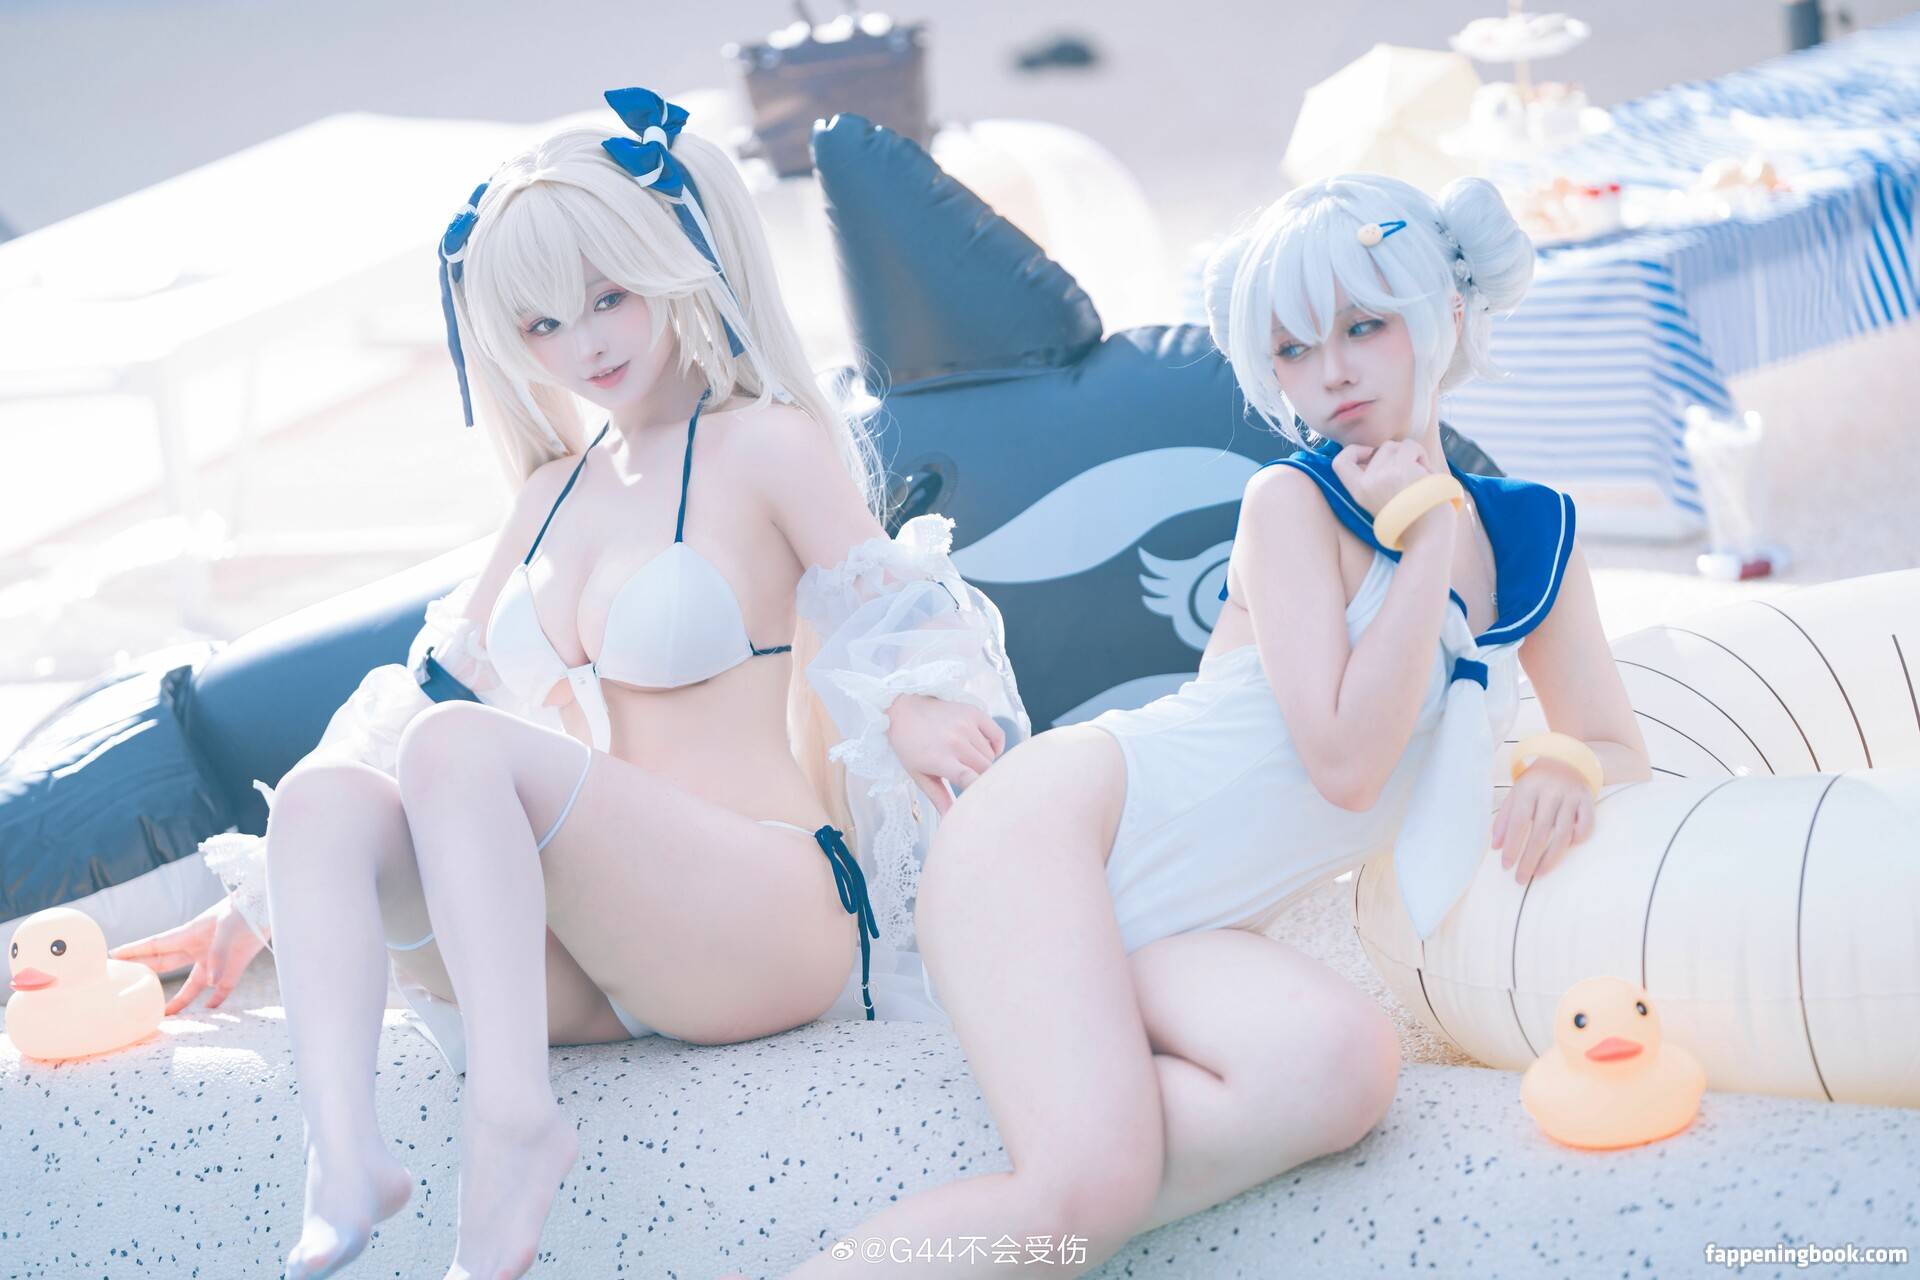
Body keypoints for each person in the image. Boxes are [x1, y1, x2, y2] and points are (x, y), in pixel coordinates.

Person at [108, 88, 1027, 1280]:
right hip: (590, 960)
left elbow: (889, 602)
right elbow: (415, 698)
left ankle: (511, 1125)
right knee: (329, 795)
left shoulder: (764, 442)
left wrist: (916, 700)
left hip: (762, 916)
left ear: (673, 265)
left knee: (456, 746)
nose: (585, 343)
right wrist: (272, 895)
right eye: (542, 322)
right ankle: (341, 1152)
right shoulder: (548, 493)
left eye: (609, 295)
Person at [757, 173, 1651, 1277]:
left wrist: (1566, 763)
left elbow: (1614, 739)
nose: (1332, 373)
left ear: (1447, 314)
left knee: (1345, 1067)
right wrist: (1425, 541)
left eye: (1364, 327)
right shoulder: (1294, 503)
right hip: (1057, 837)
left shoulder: (1531, 534)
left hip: (1190, 936)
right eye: (1292, 349)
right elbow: (1346, 761)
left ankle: (1052, 1167)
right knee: (1088, 1182)